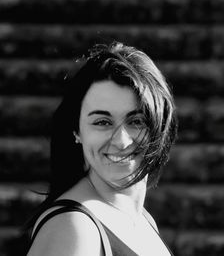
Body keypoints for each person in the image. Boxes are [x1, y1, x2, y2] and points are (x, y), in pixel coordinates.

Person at [24, 42, 178, 256]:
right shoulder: (74, 228)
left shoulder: (141, 218)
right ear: (76, 130)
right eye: (102, 122)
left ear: (159, 126)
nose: (121, 141)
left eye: (136, 121)